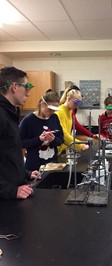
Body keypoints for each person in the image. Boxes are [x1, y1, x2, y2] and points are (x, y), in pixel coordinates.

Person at [0, 66, 41, 200]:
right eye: (26, 87)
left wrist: (26, 174)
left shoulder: (9, 113)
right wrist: (11, 191)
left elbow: (8, 154)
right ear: (14, 87)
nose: (28, 93)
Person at [19, 89, 64, 171]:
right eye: (50, 109)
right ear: (43, 104)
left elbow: (61, 139)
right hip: (34, 167)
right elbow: (19, 143)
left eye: (54, 110)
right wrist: (39, 139)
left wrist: (53, 139)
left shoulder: (54, 118)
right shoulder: (28, 120)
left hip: (52, 165)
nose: (52, 112)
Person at [55, 86, 89, 154]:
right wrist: (80, 145)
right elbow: (63, 134)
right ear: (68, 98)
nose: (77, 106)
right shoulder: (59, 112)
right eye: (75, 102)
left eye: (79, 103)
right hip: (56, 150)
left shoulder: (70, 111)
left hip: (64, 148)